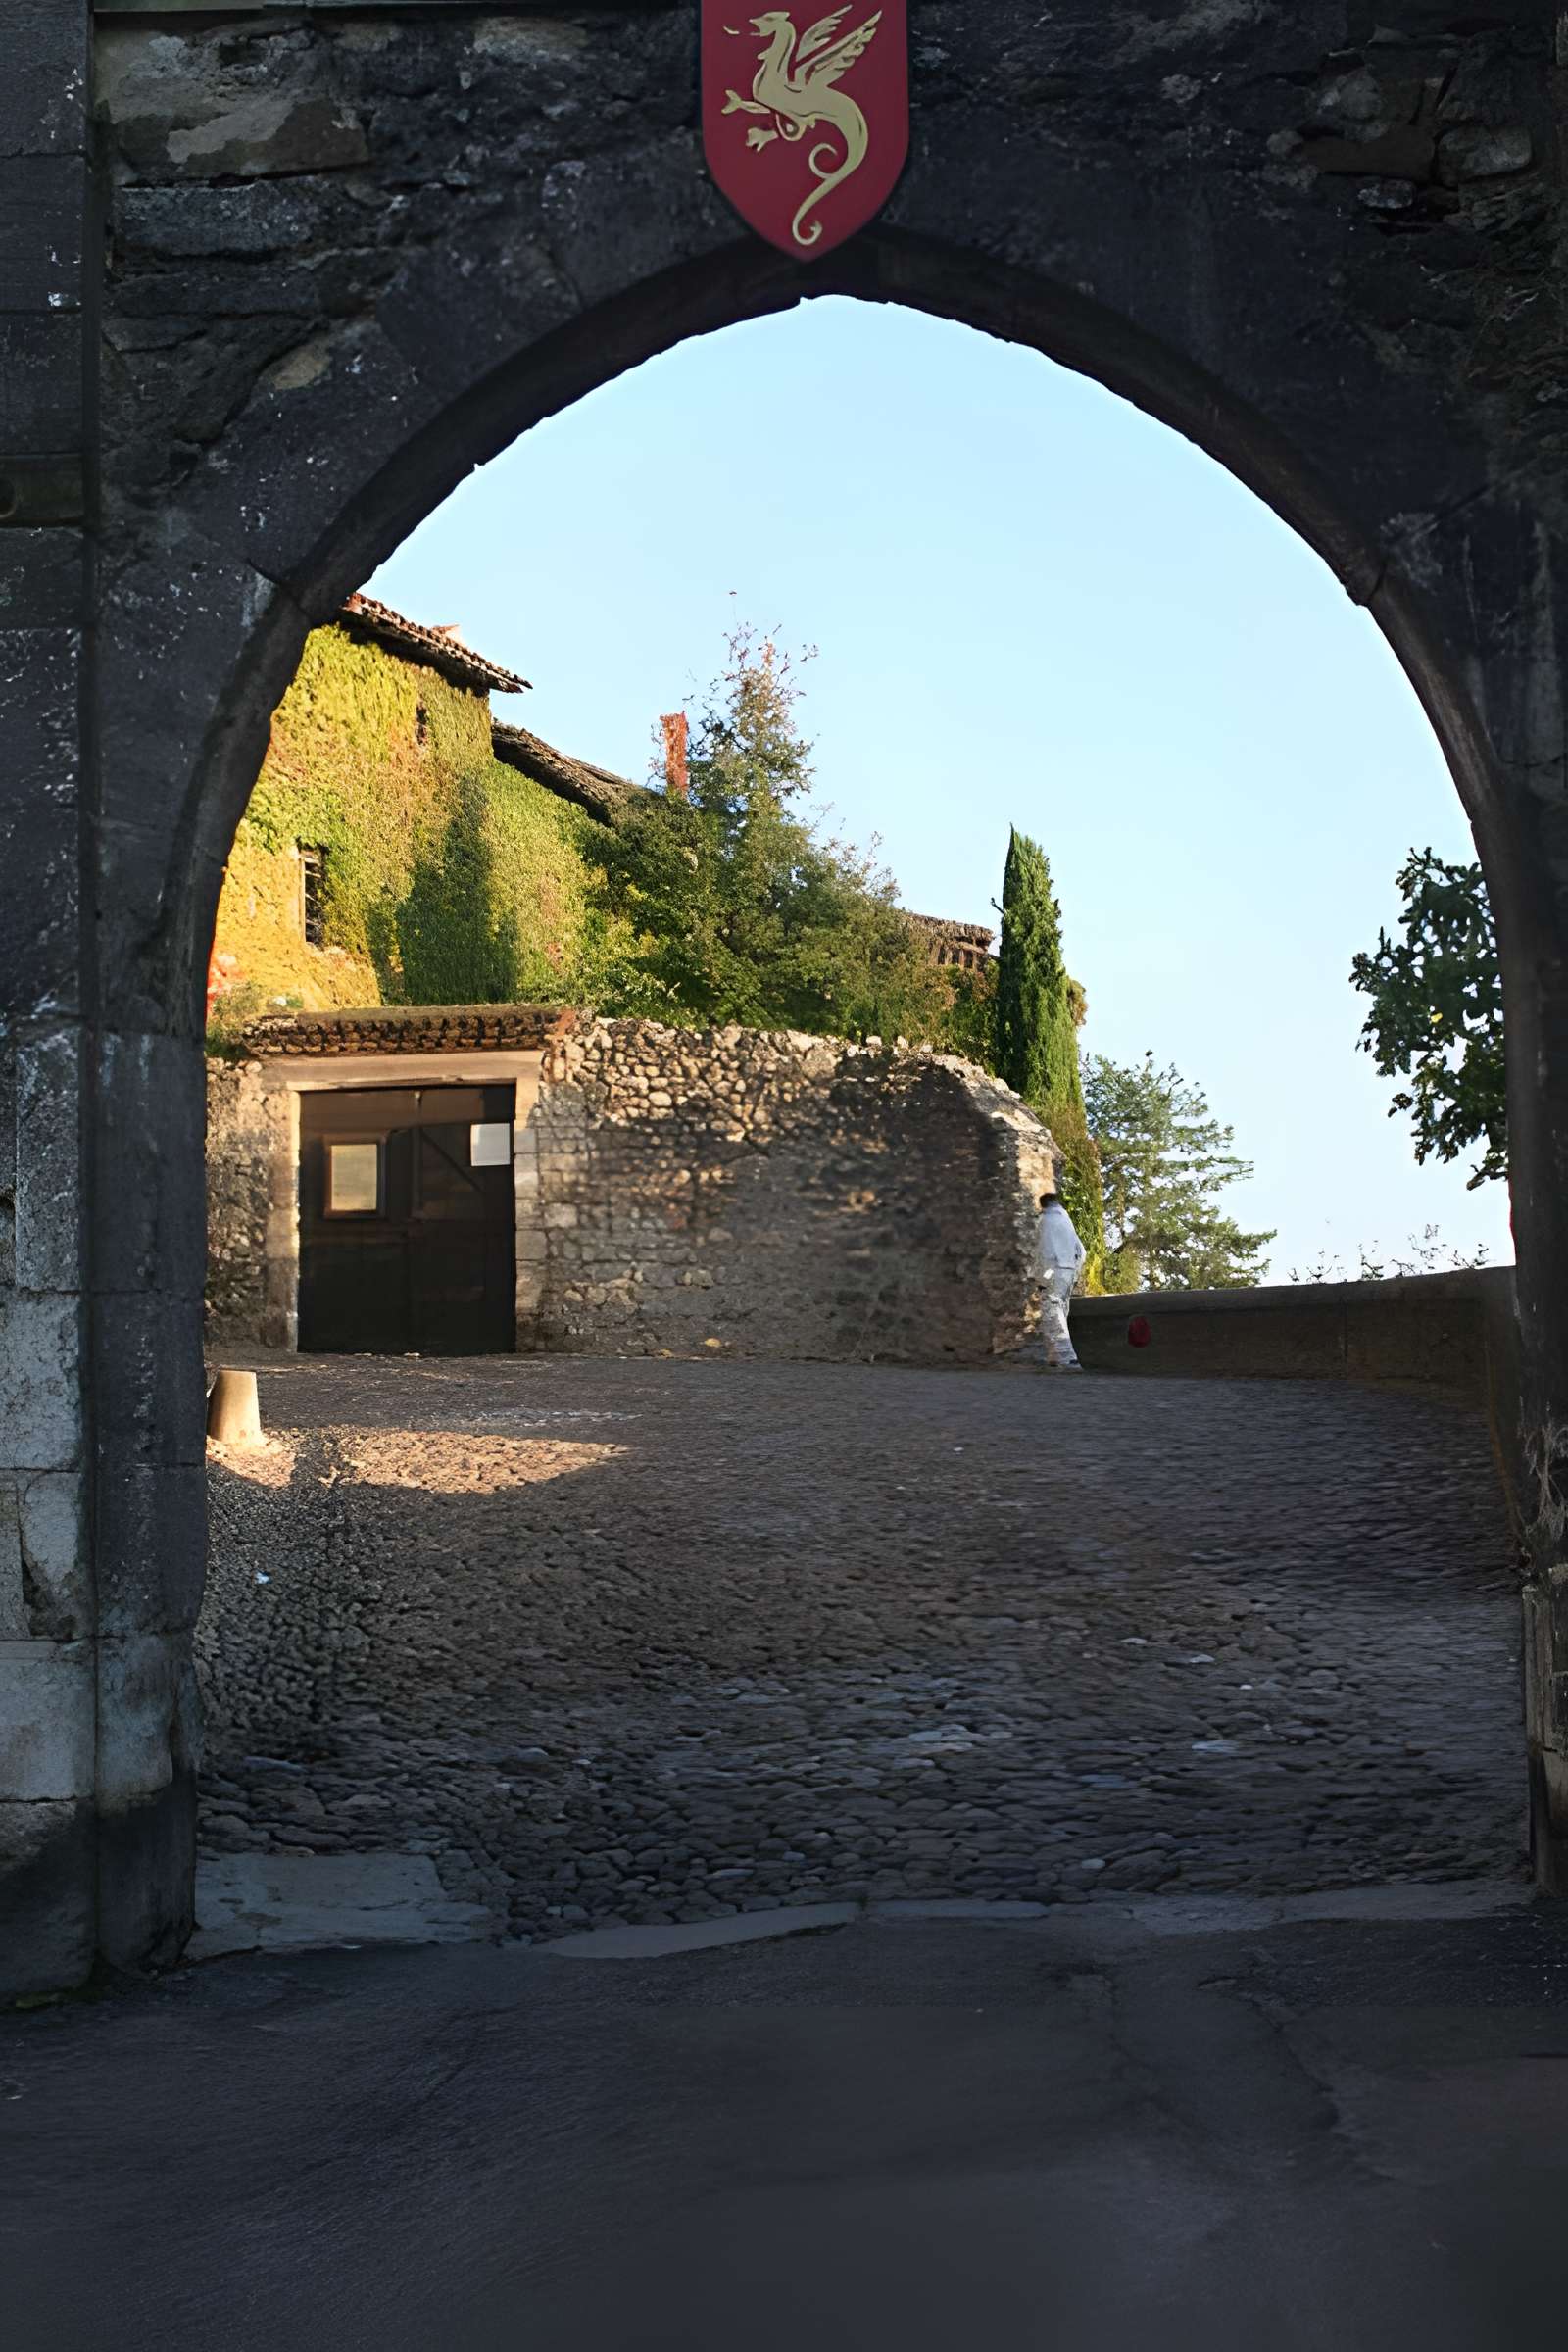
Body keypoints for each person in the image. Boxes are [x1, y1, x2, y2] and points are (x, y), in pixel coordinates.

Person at [1037, 1187, 1086, 1371]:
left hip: (1053, 1271)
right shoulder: (1066, 1220)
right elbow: (1081, 1250)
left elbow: (1045, 1251)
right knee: (1060, 1312)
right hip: (1068, 1271)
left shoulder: (1046, 1221)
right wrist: (1075, 1273)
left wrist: (1043, 1277)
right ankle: (1055, 1357)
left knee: (1053, 1314)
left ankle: (1067, 1359)